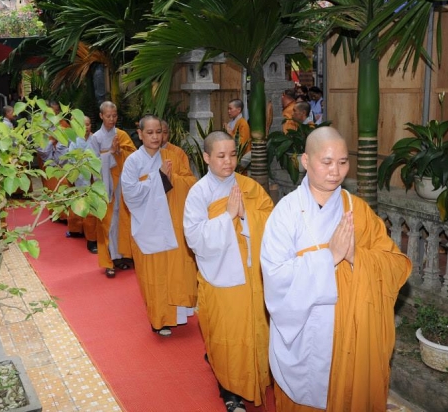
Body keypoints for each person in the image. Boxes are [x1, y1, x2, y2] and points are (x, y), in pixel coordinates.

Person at [260, 127, 411, 411]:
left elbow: (394, 264)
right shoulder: (285, 213)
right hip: (306, 334)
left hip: (352, 334)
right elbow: (275, 276)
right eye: (327, 162)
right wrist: (328, 257)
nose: (336, 171)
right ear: (306, 161)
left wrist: (355, 256)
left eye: (343, 162)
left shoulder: (358, 210)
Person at [183, 131, 273, 412]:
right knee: (227, 337)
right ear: (206, 157)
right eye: (221, 156)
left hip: (252, 275)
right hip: (221, 277)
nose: (229, 161)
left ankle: (256, 376)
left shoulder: (249, 187)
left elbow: (272, 221)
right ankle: (229, 389)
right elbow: (194, 237)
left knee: (255, 329)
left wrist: (247, 215)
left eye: (233, 155)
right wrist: (228, 216)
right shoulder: (198, 193)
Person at [121, 115, 198, 337]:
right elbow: (131, 194)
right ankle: (159, 320)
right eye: (150, 133)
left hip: (172, 224)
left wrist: (172, 178)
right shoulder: (133, 162)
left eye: (159, 132)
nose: (155, 137)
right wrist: (159, 177)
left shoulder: (172, 156)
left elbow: (191, 182)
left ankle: (178, 314)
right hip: (148, 227)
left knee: (175, 270)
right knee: (154, 276)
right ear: (140, 134)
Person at [88, 101, 137, 278]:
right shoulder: (96, 138)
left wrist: (119, 152)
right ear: (101, 116)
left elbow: (134, 156)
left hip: (121, 185)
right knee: (107, 224)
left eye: (114, 116)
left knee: (120, 221)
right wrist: (110, 154)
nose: (112, 119)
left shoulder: (121, 135)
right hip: (105, 186)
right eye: (108, 116)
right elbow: (92, 163)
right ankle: (108, 261)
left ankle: (119, 257)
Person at [67, 115, 99, 254]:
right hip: (80, 177)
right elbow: (71, 159)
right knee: (80, 205)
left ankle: (92, 240)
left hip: (95, 178)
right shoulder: (75, 141)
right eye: (83, 125)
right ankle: (77, 230)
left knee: (92, 210)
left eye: (88, 124)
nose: (86, 127)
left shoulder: (96, 139)